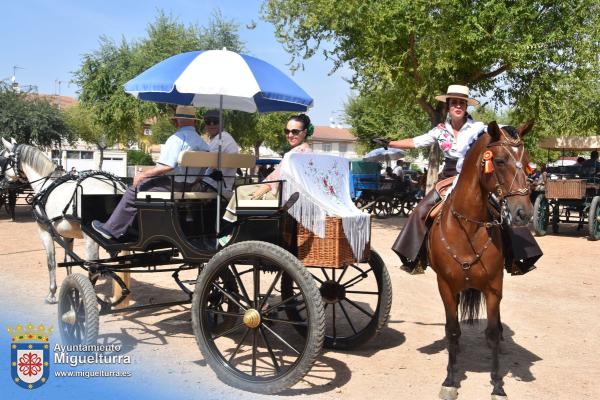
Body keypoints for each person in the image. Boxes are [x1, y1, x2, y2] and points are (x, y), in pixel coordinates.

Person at [374, 84, 541, 275]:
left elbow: (502, 130)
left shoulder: (479, 128)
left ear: (466, 107)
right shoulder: (439, 131)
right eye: (454, 102)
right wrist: (389, 143)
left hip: (473, 176)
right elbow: (415, 142)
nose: (458, 106)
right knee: (421, 210)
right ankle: (417, 258)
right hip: (448, 176)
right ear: (448, 106)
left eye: (462, 103)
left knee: (501, 210)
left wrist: (515, 131)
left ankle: (516, 259)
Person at [92, 105, 209, 240]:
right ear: (195, 122)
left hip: (172, 184)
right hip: (189, 185)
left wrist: (143, 174)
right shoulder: (202, 143)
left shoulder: (177, 139)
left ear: (176, 121)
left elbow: (167, 167)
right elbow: (203, 169)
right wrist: (194, 181)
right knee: (146, 183)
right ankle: (128, 226)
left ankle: (110, 230)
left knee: (133, 192)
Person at [223, 114, 313, 223]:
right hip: (289, 194)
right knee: (244, 190)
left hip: (284, 195)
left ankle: (232, 226)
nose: (290, 135)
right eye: (287, 131)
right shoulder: (306, 151)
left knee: (240, 191)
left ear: (304, 132)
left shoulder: (296, 154)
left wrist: (265, 186)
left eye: (295, 132)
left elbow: (279, 176)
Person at [199, 110, 240, 198]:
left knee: (180, 186)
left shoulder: (221, 138)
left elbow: (204, 163)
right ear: (205, 125)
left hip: (215, 186)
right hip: (217, 185)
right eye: (208, 121)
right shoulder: (217, 138)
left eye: (215, 121)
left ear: (222, 124)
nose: (212, 124)